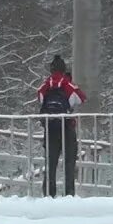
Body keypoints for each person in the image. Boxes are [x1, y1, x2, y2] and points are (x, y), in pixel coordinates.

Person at [37, 55, 86, 196]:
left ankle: (48, 195)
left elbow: (39, 97)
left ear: (51, 69)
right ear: (64, 69)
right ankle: (68, 195)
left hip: (51, 129)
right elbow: (81, 98)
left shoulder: (46, 85)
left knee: (50, 164)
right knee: (69, 164)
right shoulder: (67, 84)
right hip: (67, 127)